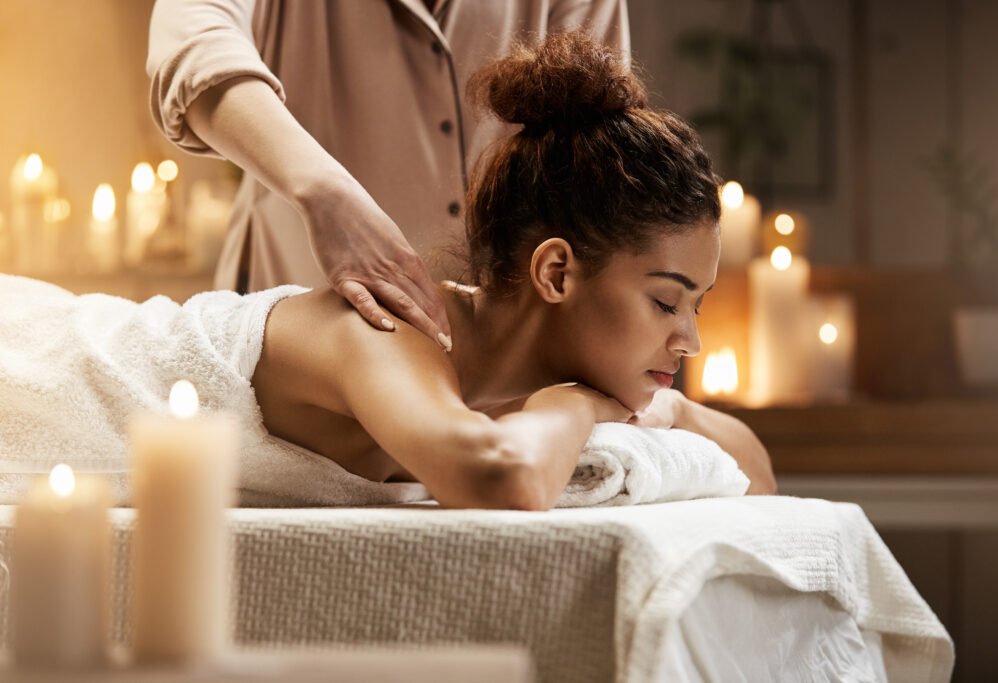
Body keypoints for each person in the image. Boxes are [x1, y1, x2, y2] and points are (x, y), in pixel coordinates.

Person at [1, 33, 774, 508]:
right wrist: (577, 405)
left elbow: (753, 466)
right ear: (557, 273)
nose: (691, 342)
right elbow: (502, 481)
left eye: (696, 307)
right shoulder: (388, 327)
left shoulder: (512, 392)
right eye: (668, 302)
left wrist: (642, 409)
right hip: (30, 377)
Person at [146, 0, 630, 352]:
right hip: (296, 339)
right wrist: (326, 195)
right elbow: (192, 43)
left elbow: (594, 154)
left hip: (500, 372)